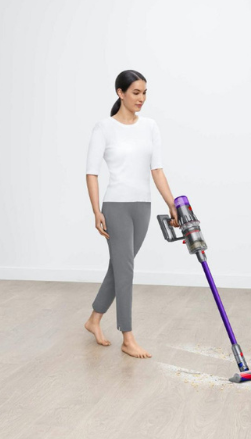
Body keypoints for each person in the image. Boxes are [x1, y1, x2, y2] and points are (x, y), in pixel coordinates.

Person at [84, 70, 179, 358]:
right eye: (136, 92)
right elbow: (91, 172)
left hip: (143, 207)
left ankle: (93, 320)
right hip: (116, 207)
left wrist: (172, 204)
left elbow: (157, 170)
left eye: (145, 93)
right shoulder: (104, 128)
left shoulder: (150, 126)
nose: (142, 98)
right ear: (120, 93)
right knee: (126, 270)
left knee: (119, 268)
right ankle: (127, 337)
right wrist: (96, 210)